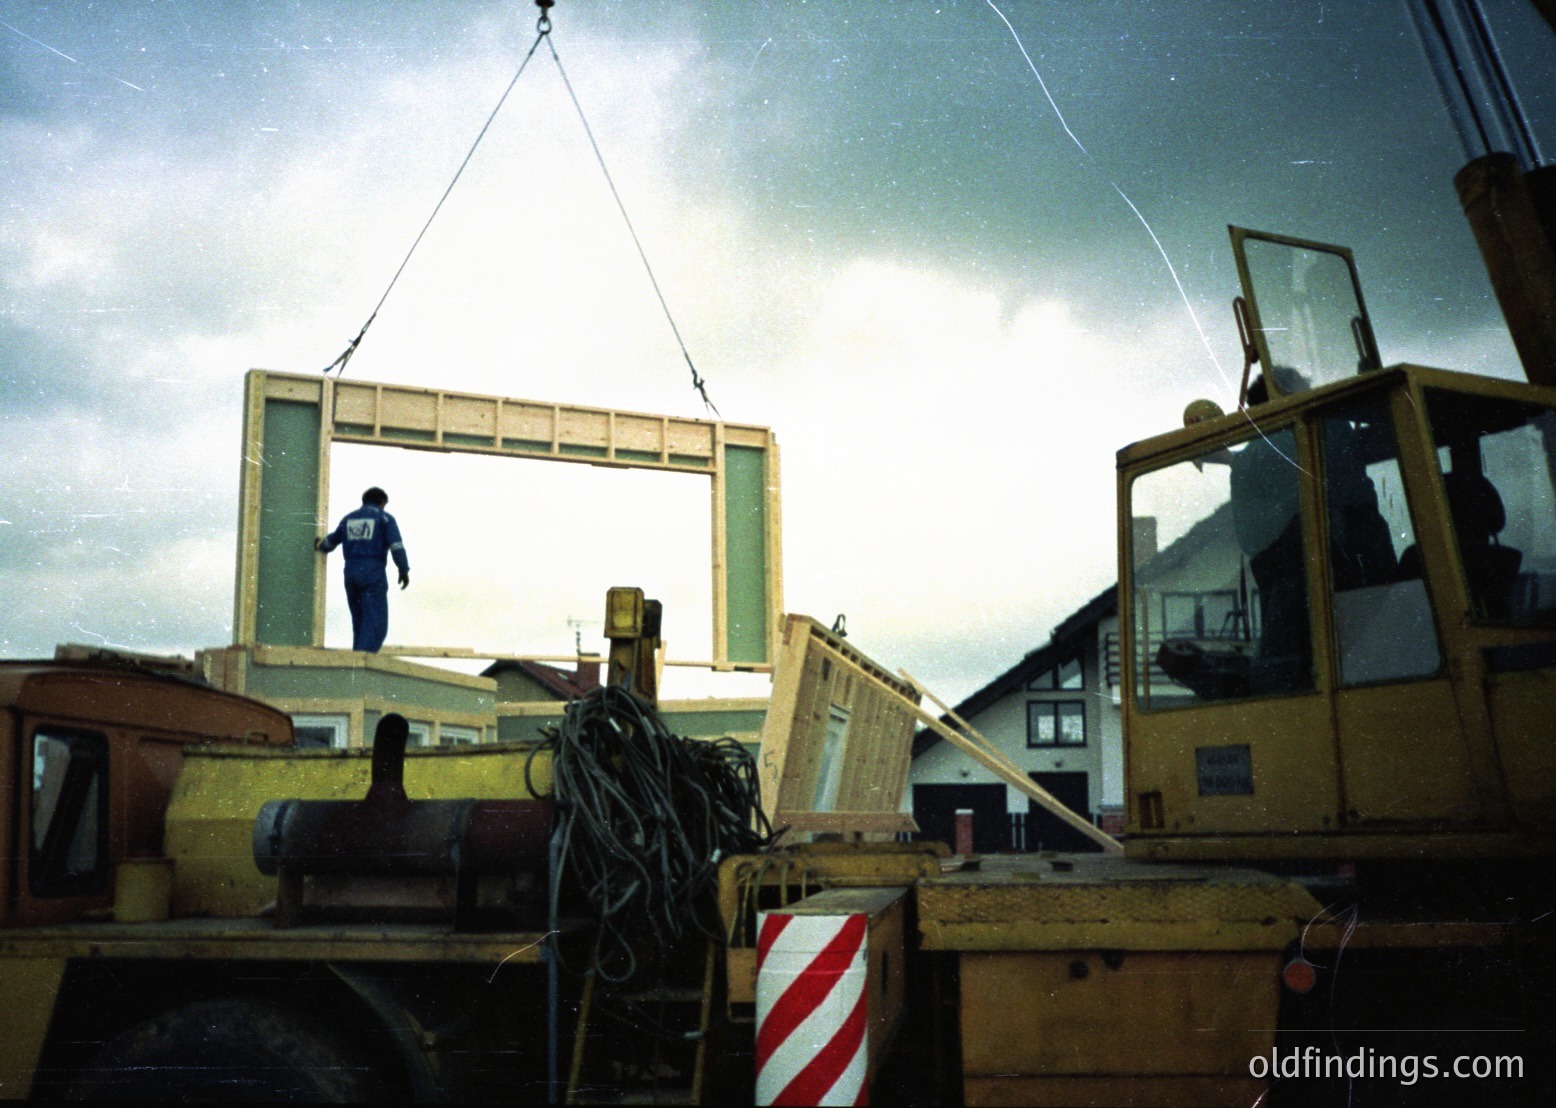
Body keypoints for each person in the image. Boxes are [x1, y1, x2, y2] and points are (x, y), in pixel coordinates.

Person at [315, 487, 409, 653]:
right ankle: (361, 663)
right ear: (381, 502)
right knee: (375, 622)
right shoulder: (385, 518)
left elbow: (331, 542)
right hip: (372, 572)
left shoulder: (348, 519)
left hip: (350, 573)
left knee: (359, 620)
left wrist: (319, 545)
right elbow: (396, 545)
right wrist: (403, 568)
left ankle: (356, 657)